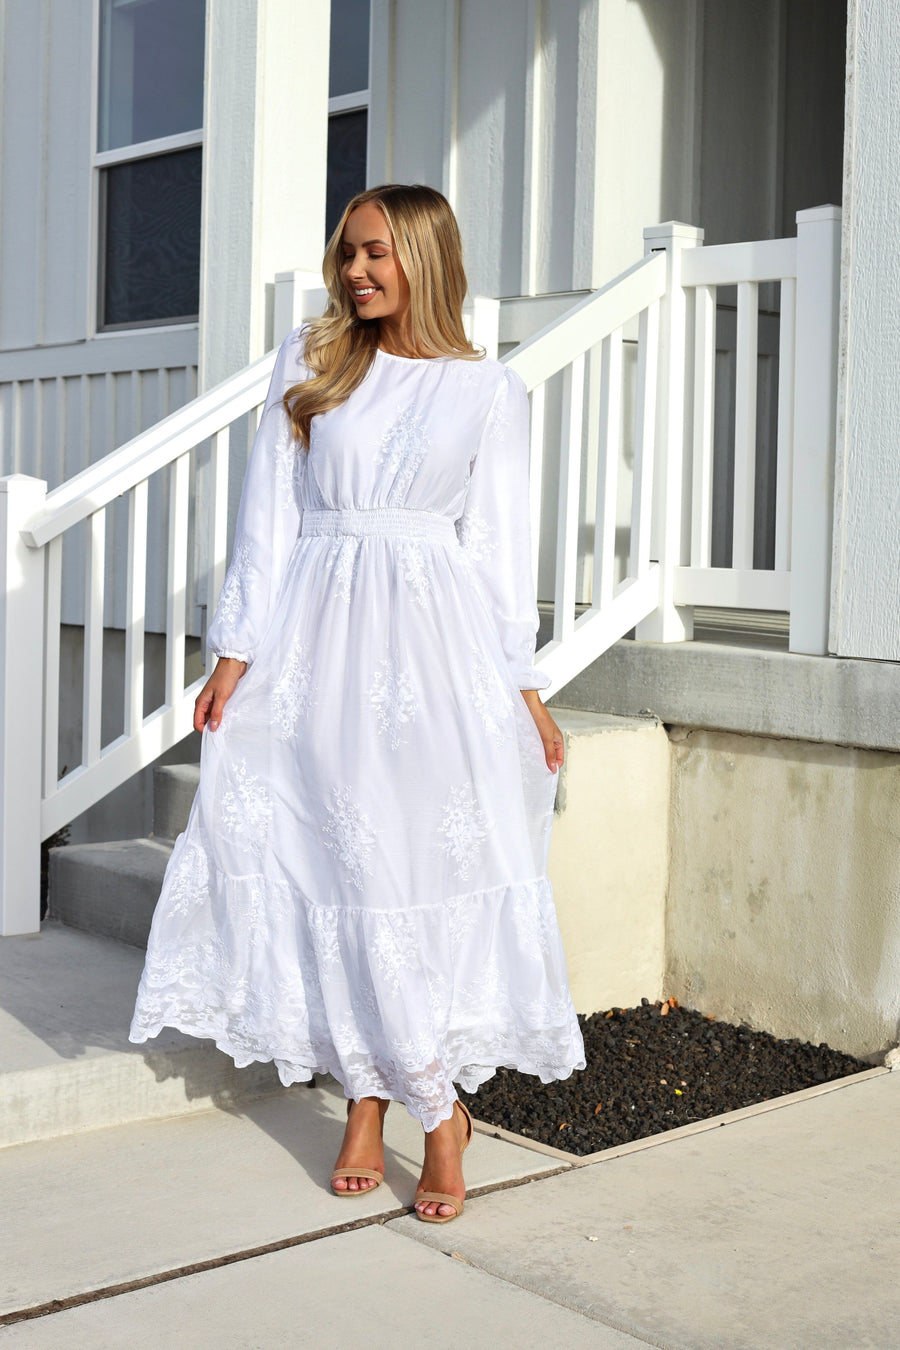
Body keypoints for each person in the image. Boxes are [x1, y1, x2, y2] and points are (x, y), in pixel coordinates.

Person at [129, 183, 585, 1223]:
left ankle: (432, 1111)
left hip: (434, 658)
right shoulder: (313, 360)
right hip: (317, 650)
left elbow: (499, 556)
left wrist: (525, 692)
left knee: (408, 873)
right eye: (347, 253)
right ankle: (380, 1103)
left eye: (376, 252)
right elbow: (268, 516)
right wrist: (235, 654)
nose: (357, 271)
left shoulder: (488, 390)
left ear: (425, 255)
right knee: (337, 866)